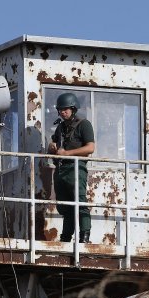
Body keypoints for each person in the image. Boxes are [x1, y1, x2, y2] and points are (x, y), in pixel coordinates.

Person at [48, 92, 95, 243]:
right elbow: (54, 145)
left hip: (75, 168)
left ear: (73, 109)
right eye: (61, 109)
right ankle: (66, 237)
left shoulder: (84, 124)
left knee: (80, 202)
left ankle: (84, 236)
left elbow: (90, 148)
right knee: (65, 206)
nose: (63, 112)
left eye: (66, 109)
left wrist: (67, 153)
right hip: (61, 170)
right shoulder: (60, 128)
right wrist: (52, 146)